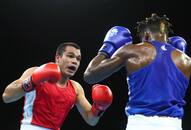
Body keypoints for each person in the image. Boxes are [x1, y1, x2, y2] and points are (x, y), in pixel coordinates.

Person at [84, 13, 191, 130]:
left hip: (139, 124)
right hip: (174, 126)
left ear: (146, 35)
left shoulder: (133, 51)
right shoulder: (186, 60)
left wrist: (106, 49)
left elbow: (90, 76)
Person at [2, 42, 113, 130]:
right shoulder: (36, 72)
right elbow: (7, 96)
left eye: (78, 59)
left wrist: (99, 107)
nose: (74, 61)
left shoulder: (76, 88)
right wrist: (32, 81)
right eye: (70, 56)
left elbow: (91, 120)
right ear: (58, 58)